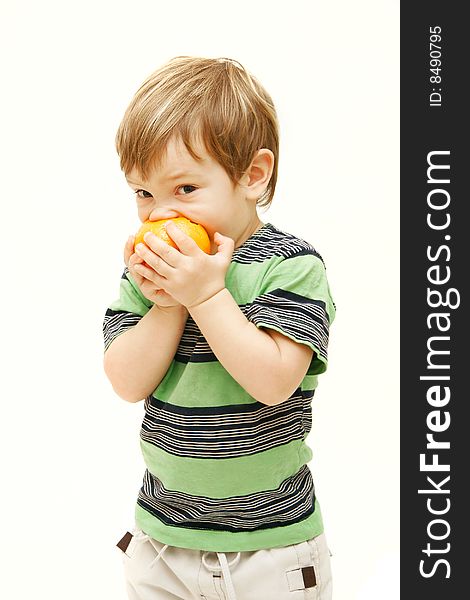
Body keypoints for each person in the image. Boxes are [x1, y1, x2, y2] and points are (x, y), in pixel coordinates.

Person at [103, 56, 336, 600]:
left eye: (184, 189)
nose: (159, 215)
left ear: (252, 176)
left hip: (273, 545)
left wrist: (206, 295)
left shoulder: (291, 266)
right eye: (143, 193)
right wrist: (167, 304)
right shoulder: (150, 274)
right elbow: (125, 382)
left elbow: (275, 382)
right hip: (165, 540)